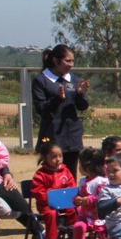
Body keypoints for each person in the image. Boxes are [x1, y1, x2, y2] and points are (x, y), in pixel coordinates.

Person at [32, 44, 89, 178]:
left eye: (72, 61)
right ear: (56, 61)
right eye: (67, 61)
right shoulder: (41, 81)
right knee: (52, 175)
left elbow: (82, 106)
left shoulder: (73, 80)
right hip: (52, 134)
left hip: (72, 135)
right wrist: (58, 99)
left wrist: (80, 94)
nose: (71, 65)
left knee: (70, 175)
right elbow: (41, 108)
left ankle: (69, 198)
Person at [29, 141, 78, 239]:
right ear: (45, 158)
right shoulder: (40, 174)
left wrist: (68, 197)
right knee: (51, 214)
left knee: (74, 210)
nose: (58, 159)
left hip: (65, 203)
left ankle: (75, 236)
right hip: (47, 205)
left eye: (60, 156)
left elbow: (72, 187)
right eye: (53, 157)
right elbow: (37, 192)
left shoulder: (66, 171)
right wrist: (51, 198)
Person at [71, 147, 107, 239]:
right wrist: (76, 200)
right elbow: (79, 195)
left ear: (87, 167)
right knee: (78, 227)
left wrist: (89, 200)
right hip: (86, 216)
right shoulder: (82, 181)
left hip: (101, 217)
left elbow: (103, 198)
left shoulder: (101, 181)